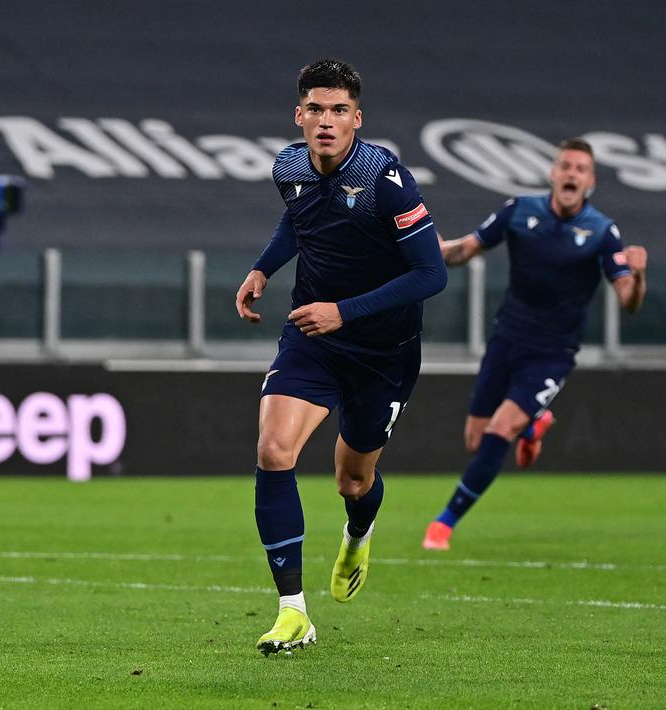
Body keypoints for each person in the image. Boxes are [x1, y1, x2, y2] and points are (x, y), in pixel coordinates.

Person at [235, 59, 447, 656]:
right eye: (315, 110)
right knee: (274, 449)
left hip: (383, 351)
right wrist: (262, 267)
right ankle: (293, 613)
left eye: (338, 111)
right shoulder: (288, 166)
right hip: (313, 338)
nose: (325, 122)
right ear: (298, 115)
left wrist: (345, 311)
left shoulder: (386, 178)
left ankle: (359, 532)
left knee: (353, 479)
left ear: (356, 118)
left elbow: (431, 275)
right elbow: (297, 221)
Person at [422, 139, 648, 551]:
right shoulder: (519, 210)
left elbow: (628, 301)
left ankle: (444, 523)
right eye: (565, 166)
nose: (572, 174)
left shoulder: (602, 231)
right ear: (553, 173)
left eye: (580, 169)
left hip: (553, 353)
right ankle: (535, 422)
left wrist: (639, 275)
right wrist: (437, 249)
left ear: (590, 181)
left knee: (498, 429)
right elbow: (466, 249)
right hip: (507, 338)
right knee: (475, 440)